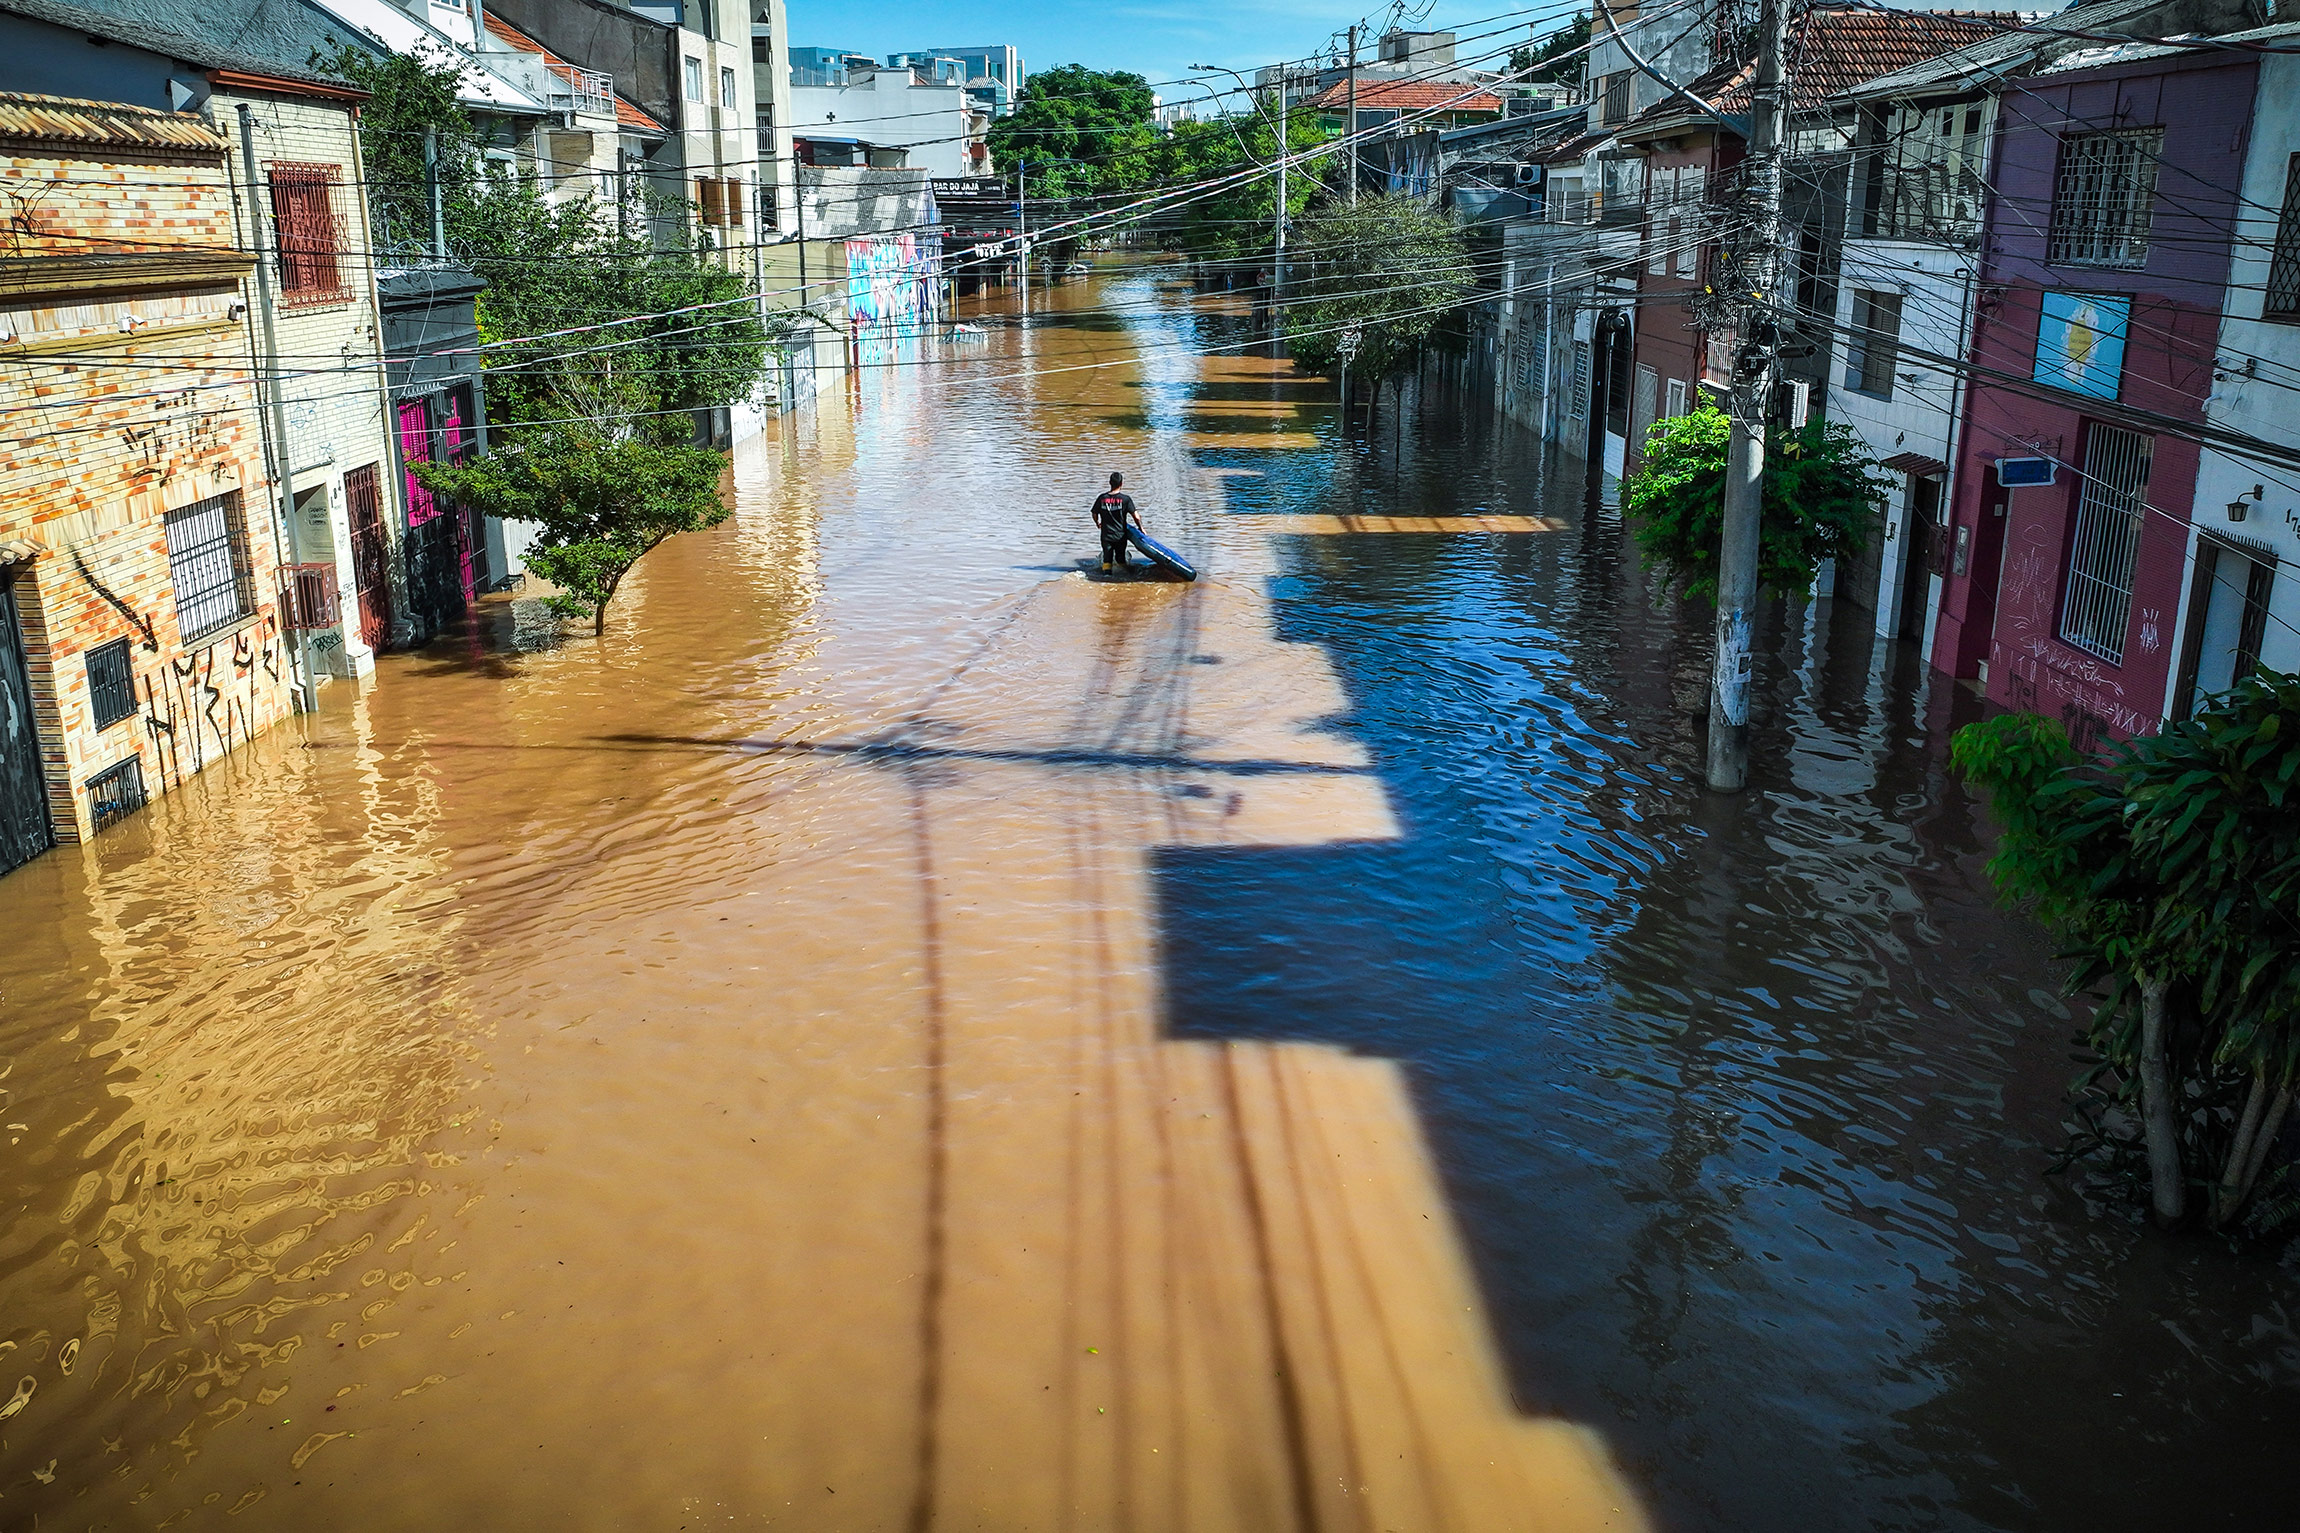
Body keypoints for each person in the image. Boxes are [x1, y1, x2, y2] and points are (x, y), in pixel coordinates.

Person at [1090, 473, 1142, 575]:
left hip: (1106, 535)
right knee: (1120, 559)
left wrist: (1097, 523)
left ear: (1110, 483)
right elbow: (1136, 516)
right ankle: (1124, 577)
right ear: (1121, 483)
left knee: (1107, 560)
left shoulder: (1102, 498)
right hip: (1120, 536)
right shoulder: (1126, 499)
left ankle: (1106, 578)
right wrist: (1141, 528)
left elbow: (1094, 513)